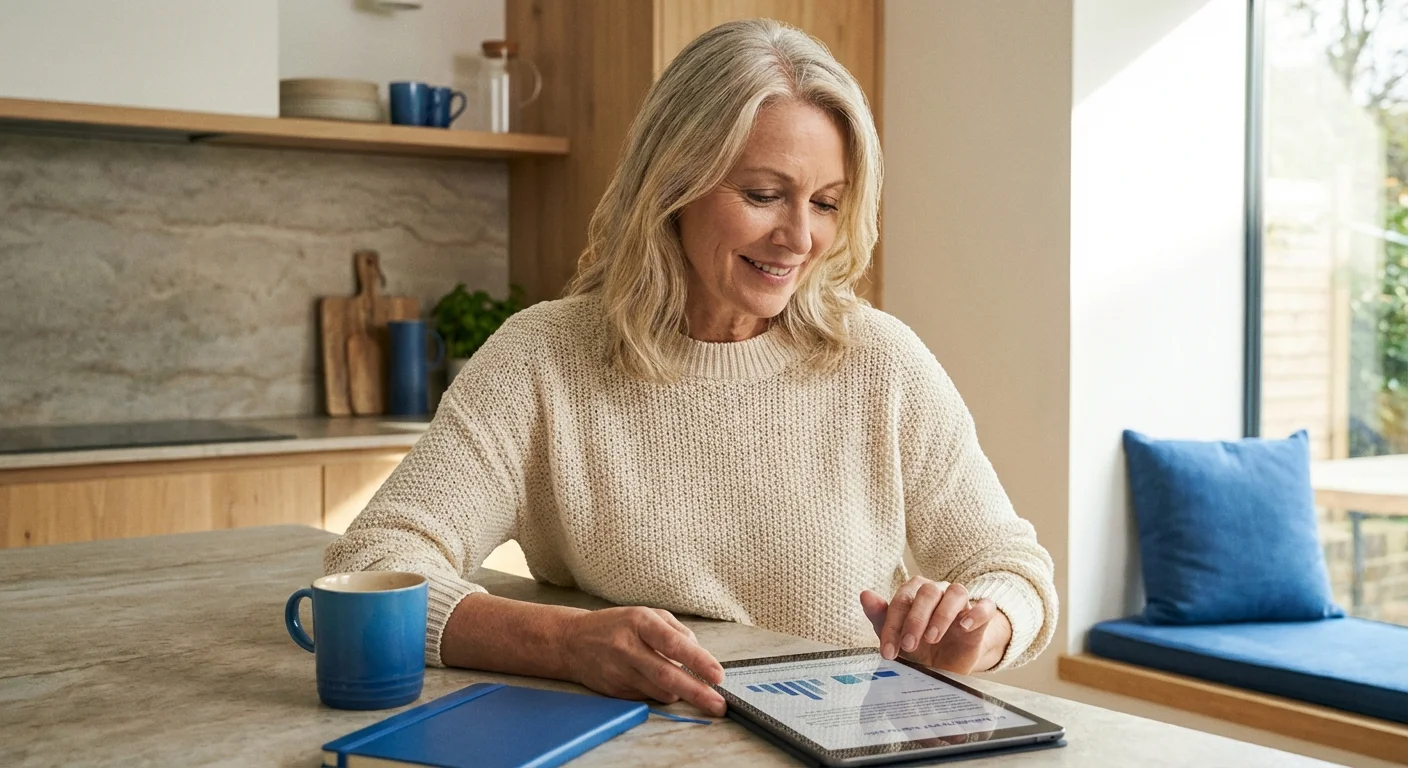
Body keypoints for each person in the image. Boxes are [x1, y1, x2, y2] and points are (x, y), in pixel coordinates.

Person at [325, 18, 1057, 719]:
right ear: (672, 182)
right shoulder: (543, 358)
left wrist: (980, 627)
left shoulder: (881, 363)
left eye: (826, 203)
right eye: (763, 195)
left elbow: (1011, 568)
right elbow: (373, 564)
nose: (799, 238)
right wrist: (563, 643)